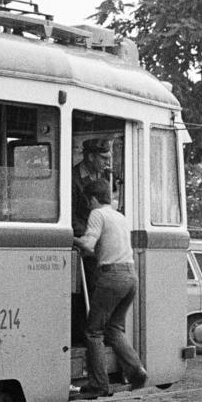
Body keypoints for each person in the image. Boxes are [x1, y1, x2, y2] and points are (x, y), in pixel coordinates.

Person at [74, 178, 147, 398]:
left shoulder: (98, 214)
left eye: (89, 201)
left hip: (111, 276)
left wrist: (71, 237)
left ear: (93, 199)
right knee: (114, 328)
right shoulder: (120, 216)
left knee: (93, 331)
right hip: (130, 276)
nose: (88, 205)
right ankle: (136, 371)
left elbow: (88, 244)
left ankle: (99, 384)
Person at [71, 140, 114, 343]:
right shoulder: (72, 177)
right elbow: (69, 214)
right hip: (83, 240)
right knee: (84, 288)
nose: (108, 162)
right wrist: (88, 235)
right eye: (103, 158)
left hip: (98, 240)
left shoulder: (104, 176)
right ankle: (83, 334)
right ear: (90, 157)